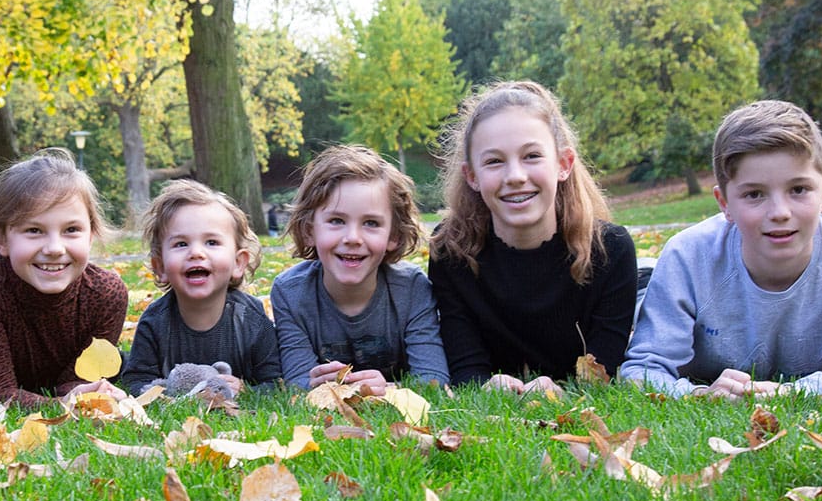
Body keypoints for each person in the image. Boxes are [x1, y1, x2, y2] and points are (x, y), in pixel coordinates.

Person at [620, 99, 822, 397]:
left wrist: (792, 393)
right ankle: (646, 277)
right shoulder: (686, 255)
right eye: (754, 194)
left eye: (798, 190)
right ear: (725, 204)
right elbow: (643, 370)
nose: (780, 212)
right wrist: (698, 395)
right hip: (663, 283)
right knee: (641, 300)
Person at [429, 81, 637, 393]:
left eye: (532, 156)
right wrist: (485, 385)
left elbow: (603, 374)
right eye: (494, 161)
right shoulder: (450, 252)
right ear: (472, 176)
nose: (515, 176)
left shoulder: (612, 250)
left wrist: (563, 393)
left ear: (563, 165)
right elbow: (466, 370)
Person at [0, 148, 128, 408]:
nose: (54, 248)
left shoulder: (106, 293)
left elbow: (76, 380)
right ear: (1, 239)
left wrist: (84, 393)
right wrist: (62, 405)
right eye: (34, 230)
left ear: (91, 234)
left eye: (71, 230)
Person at [271, 144, 450, 396]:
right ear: (309, 230)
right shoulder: (290, 292)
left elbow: (434, 379)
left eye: (371, 223)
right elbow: (297, 380)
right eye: (336, 221)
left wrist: (388, 388)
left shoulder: (411, 288)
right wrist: (311, 384)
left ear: (394, 236)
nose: (353, 238)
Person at [120, 180, 282, 394]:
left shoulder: (251, 319)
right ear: (160, 267)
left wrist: (245, 390)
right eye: (181, 244)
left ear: (238, 263)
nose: (196, 252)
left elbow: (276, 381)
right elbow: (136, 379)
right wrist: (164, 390)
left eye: (212, 242)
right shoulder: (155, 321)